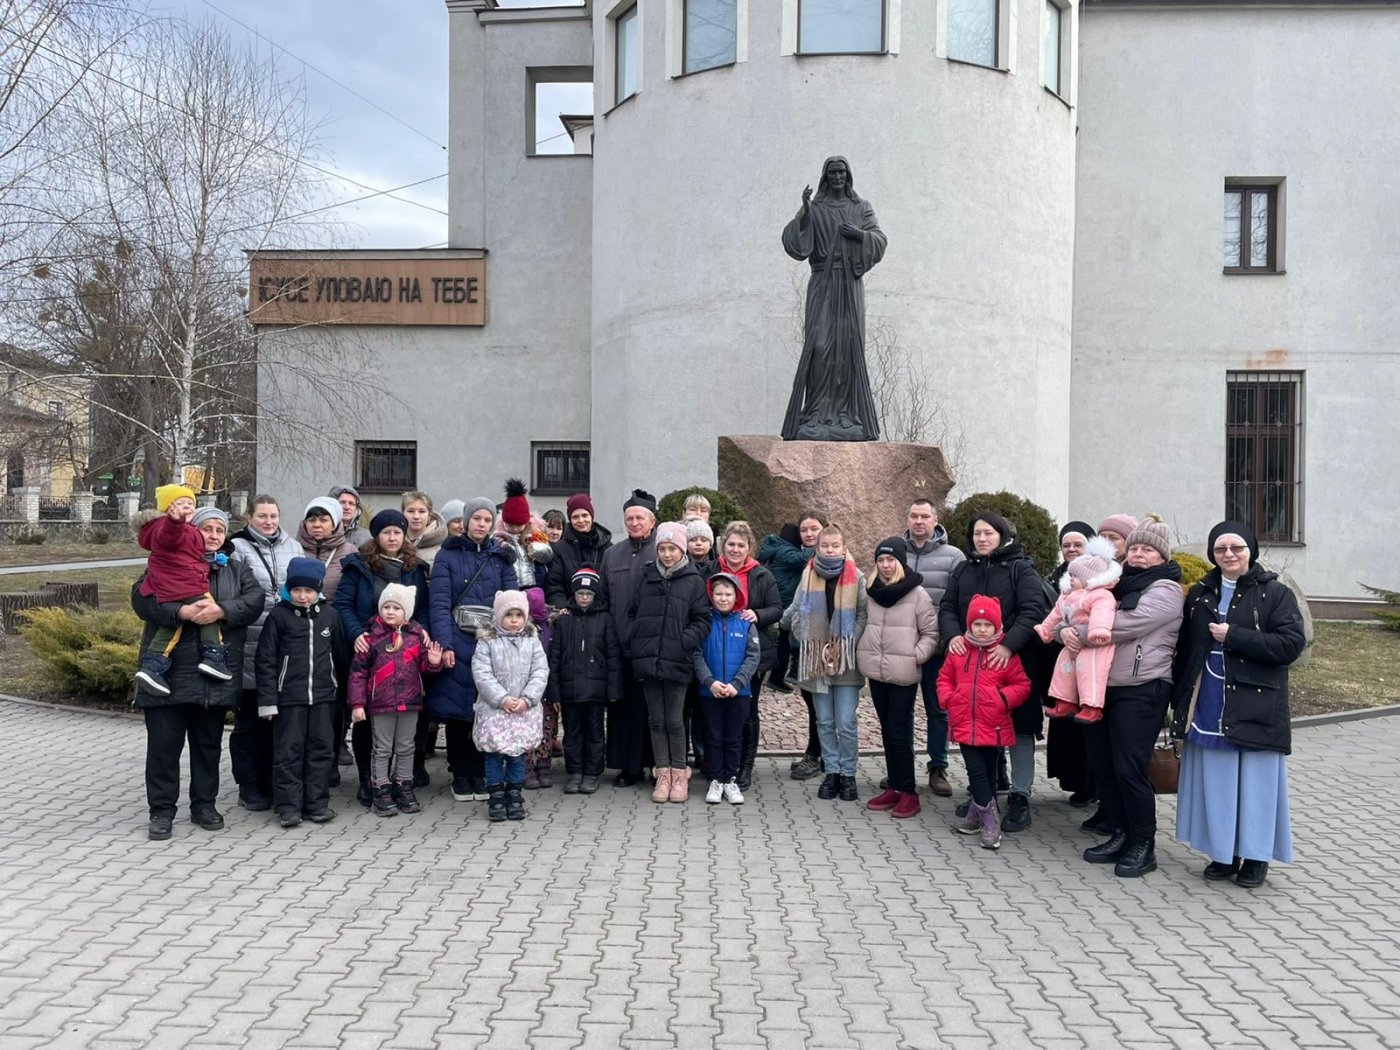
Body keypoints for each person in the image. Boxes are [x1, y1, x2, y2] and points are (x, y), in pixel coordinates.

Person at [1172, 521, 1305, 888]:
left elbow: (1290, 645)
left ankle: (1256, 856)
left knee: (1256, 782)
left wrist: (1235, 636)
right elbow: (1185, 648)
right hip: (1211, 698)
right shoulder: (1200, 592)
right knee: (1218, 778)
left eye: (1236, 548)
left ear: (1251, 551)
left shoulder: (1275, 593)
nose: (1228, 555)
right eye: (1220, 549)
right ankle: (1225, 851)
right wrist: (1178, 699)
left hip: (1257, 700)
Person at [131, 506, 262, 841]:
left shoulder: (236, 567)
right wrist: (180, 611)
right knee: (164, 747)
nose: (214, 535)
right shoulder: (166, 560)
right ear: (192, 531)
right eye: (207, 528)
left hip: (212, 676)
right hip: (168, 674)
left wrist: (222, 610)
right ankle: (161, 811)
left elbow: (255, 600)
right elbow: (142, 599)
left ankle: (204, 804)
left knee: (207, 746)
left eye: (220, 529)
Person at [1067, 514, 1183, 878]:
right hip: (1102, 687)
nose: (1138, 554)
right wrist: (1066, 630)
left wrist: (1078, 631)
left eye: (1148, 549)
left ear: (1162, 556)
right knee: (1102, 764)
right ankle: (1119, 832)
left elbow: (1121, 625)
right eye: (1134, 548)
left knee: (1129, 768)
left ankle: (1143, 844)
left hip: (1143, 687)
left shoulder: (1165, 590)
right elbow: (1075, 607)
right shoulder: (1116, 583)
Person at [939, 513, 1050, 833]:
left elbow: (1033, 611)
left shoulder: (1020, 568)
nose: (982, 539)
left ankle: (1020, 795)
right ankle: (985, 793)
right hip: (972, 663)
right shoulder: (964, 569)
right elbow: (948, 607)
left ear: (1002, 536)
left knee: (1021, 729)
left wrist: (1008, 645)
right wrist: (953, 636)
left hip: (1012, 661)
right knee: (981, 729)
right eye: (976, 533)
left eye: (988, 533)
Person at [781, 156, 888, 441]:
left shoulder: (861, 207)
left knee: (846, 348)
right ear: (825, 177)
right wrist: (804, 211)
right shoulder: (815, 209)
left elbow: (879, 241)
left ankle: (846, 414)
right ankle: (815, 413)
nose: (838, 177)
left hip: (849, 285)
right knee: (819, 345)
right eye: (832, 173)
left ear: (848, 175)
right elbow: (796, 244)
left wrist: (858, 235)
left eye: (842, 172)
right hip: (822, 282)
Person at [333, 508, 432, 804]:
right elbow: (343, 604)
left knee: (405, 722)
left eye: (397, 532)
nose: (392, 537)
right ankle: (369, 780)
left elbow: (423, 608)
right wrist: (356, 634)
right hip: (370, 647)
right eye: (386, 532)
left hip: (406, 653)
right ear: (377, 536)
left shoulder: (415, 567)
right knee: (369, 720)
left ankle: (402, 780)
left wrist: (422, 632)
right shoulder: (359, 566)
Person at [427, 496, 518, 804]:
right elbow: (438, 603)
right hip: (458, 638)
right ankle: (460, 773)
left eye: (487, 519)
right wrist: (446, 643)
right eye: (476, 518)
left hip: (491, 643)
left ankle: (480, 771)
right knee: (457, 711)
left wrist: (506, 644)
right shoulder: (447, 555)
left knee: (487, 708)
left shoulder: (501, 558)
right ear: (465, 522)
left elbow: (511, 604)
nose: (481, 524)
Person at [255, 557, 351, 829]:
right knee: (288, 753)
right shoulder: (278, 617)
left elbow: (341, 658)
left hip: (323, 699)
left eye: (309, 590)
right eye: (297, 590)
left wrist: (343, 697)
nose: (303, 596)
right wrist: (267, 701)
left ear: (318, 590)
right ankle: (288, 806)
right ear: (289, 589)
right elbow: (265, 660)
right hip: (289, 699)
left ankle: (316, 804)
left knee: (321, 752)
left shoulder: (330, 616)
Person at [780, 523, 869, 803]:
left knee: (845, 721)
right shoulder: (808, 575)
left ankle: (848, 774)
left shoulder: (858, 577)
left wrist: (846, 645)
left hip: (846, 661)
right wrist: (801, 633)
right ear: (816, 548)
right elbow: (796, 612)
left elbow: (863, 614)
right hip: (815, 659)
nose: (829, 550)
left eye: (835, 546)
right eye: (824, 546)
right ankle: (831, 772)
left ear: (844, 548)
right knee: (825, 721)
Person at [627, 521, 711, 804]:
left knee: (675, 720)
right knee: (656, 719)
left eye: (671, 548)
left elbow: (702, 619)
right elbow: (632, 612)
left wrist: (682, 641)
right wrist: (637, 641)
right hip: (649, 659)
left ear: (681, 549)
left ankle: (679, 772)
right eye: (662, 548)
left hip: (678, 661)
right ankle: (661, 772)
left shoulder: (692, 580)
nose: (666, 554)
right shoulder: (647, 577)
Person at [939, 595, 1032, 850]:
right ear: (969, 625)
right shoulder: (958, 652)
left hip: (994, 722)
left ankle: (974, 815)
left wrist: (1003, 698)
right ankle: (991, 819)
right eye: (977, 624)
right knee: (976, 771)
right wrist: (949, 698)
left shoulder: (1005, 654)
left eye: (987, 625)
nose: (981, 630)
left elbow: (1022, 685)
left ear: (996, 627)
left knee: (990, 769)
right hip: (965, 721)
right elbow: (944, 678)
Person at [228, 495, 303, 811]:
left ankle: (273, 783)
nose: (269, 521)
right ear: (250, 517)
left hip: (281, 646)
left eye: (273, 515)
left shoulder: (293, 546)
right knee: (249, 723)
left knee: (278, 723)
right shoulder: (236, 547)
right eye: (262, 516)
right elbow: (236, 590)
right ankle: (248, 785)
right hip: (248, 643)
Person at [858, 536, 939, 819]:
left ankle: (909, 792)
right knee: (886, 731)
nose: (885, 565)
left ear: (901, 562)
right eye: (880, 560)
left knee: (898, 732)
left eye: (891, 560)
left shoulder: (917, 594)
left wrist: (915, 655)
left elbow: (931, 633)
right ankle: (894, 785)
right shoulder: (871, 590)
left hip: (904, 672)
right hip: (877, 671)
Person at [346, 583, 443, 817]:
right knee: (381, 748)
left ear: (406, 612)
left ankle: (404, 786)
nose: (390, 612)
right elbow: (358, 673)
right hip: (381, 704)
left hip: (410, 702)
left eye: (396, 608)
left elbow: (424, 669)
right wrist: (357, 705)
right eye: (386, 607)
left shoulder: (416, 636)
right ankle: (380, 788)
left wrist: (433, 661)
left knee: (407, 746)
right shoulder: (371, 638)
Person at [133, 485, 233, 695]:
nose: (187, 507)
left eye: (190, 504)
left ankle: (152, 665)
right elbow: (170, 537)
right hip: (183, 583)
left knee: (171, 628)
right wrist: (175, 521)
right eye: (181, 504)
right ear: (169, 509)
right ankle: (213, 654)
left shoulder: (182, 530)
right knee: (208, 608)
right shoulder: (169, 526)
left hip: (175, 584)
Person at [712, 521, 782, 791]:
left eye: (741, 545)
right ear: (723, 545)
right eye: (731, 544)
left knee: (747, 711)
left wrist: (758, 614)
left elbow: (777, 608)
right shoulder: (713, 569)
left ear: (749, 548)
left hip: (752, 652)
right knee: (716, 710)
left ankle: (745, 766)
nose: (735, 549)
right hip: (717, 651)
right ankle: (718, 765)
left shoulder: (761, 575)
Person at [902, 498, 965, 797]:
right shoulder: (894, 551)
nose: (919, 521)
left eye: (925, 516)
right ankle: (900, 769)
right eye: (914, 516)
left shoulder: (954, 557)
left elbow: (958, 602)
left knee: (938, 710)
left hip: (938, 649)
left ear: (935, 520)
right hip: (900, 648)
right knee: (899, 712)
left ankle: (938, 766)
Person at [472, 589, 549, 822]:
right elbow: (482, 673)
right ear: (498, 616)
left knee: (518, 755)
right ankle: (496, 795)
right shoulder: (487, 642)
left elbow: (540, 672)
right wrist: (502, 698)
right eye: (508, 615)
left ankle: (515, 793)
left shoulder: (533, 641)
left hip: (524, 710)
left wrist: (527, 699)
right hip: (495, 709)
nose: (514, 620)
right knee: (494, 754)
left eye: (518, 614)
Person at [599, 489, 659, 786]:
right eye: (630, 518)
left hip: (651, 647)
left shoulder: (663, 550)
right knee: (622, 710)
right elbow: (604, 598)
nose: (634, 523)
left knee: (650, 710)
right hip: (619, 645)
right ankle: (628, 767)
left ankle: (655, 765)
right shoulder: (612, 554)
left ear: (652, 522)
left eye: (640, 518)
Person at [547, 567, 621, 794]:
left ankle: (592, 772)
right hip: (570, 690)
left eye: (588, 594)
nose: (584, 598)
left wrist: (613, 690)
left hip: (596, 690)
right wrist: (554, 692)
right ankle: (575, 771)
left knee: (595, 732)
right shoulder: (564, 619)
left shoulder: (605, 618)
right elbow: (556, 657)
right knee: (572, 732)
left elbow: (612, 656)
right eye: (580, 594)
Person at [1035, 536, 1121, 723]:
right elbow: (1056, 615)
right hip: (1072, 642)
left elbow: (1102, 612)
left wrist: (1098, 630)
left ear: (1089, 578)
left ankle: (1092, 706)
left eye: (1075, 577)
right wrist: (1046, 630)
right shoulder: (1068, 596)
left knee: (1090, 672)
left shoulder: (1100, 595)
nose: (1070, 579)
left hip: (1095, 645)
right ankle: (1064, 701)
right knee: (1062, 667)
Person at [767, 513, 826, 780]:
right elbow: (796, 601)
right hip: (802, 641)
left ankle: (819, 755)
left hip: (826, 645)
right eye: (804, 529)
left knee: (823, 704)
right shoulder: (804, 562)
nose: (810, 534)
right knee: (811, 700)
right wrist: (783, 624)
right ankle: (818, 752)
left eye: (815, 528)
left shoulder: (832, 562)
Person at [1044, 521, 1099, 807]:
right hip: (1062, 661)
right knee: (1066, 727)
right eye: (1067, 545)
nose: (1072, 549)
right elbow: (1050, 617)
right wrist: (1060, 632)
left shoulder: (1100, 576)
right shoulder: (1053, 579)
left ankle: (1092, 786)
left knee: (1087, 726)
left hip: (1090, 660)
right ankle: (1075, 781)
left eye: (1078, 544)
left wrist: (1074, 634)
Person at [694, 573, 760, 806]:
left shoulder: (745, 623)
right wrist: (709, 681)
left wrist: (737, 684)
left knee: (733, 737)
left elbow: (753, 657)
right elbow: (696, 654)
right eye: (718, 594)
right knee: (713, 736)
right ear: (711, 596)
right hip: (709, 691)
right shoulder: (704, 621)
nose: (723, 598)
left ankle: (730, 779)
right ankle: (715, 779)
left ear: (737, 596)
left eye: (728, 594)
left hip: (738, 692)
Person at [758, 522, 806, 692]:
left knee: (781, 640)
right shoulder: (786, 551)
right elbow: (802, 558)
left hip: (779, 597)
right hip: (784, 599)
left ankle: (776, 676)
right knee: (783, 642)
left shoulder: (775, 546)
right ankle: (777, 677)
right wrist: (816, 547)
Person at [547, 493, 613, 607]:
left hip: (601, 614)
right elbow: (555, 586)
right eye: (575, 517)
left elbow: (613, 585)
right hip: (570, 614)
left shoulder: (607, 547)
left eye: (585, 515)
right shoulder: (560, 549)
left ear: (591, 516)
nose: (581, 520)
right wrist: (563, 609)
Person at [495, 478, 554, 592]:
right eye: (511, 525)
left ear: (526, 523)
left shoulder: (535, 535)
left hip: (534, 585)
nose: (515, 529)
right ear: (504, 522)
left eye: (519, 525)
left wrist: (536, 550)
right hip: (510, 586)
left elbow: (548, 555)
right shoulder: (499, 538)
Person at [296, 496, 358, 601]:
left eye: (323, 520)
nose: (317, 525)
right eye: (311, 520)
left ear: (334, 525)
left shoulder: (350, 552)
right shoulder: (294, 548)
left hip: (335, 614)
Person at [402, 490, 448, 567]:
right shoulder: (393, 542)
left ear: (429, 515)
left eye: (422, 511)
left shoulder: (444, 546)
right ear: (403, 513)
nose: (416, 516)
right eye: (411, 511)